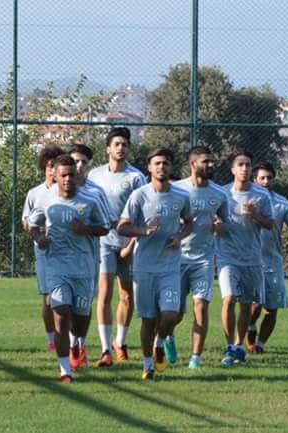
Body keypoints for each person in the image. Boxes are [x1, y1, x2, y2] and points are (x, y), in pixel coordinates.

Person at [29, 154, 111, 383]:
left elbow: (105, 227)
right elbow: (33, 224)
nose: (67, 179)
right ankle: (65, 369)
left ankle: (77, 344)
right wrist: (39, 238)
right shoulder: (45, 200)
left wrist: (85, 229)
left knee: (80, 321)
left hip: (84, 267)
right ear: (55, 176)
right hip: (56, 266)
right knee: (61, 312)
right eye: (63, 175)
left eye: (71, 175)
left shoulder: (90, 200)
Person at [117, 147, 192, 380]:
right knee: (148, 319)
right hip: (144, 267)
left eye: (166, 163)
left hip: (170, 267)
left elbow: (189, 222)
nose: (161, 167)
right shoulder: (139, 195)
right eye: (157, 163)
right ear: (149, 167)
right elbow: (122, 227)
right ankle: (147, 365)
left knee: (170, 315)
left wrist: (179, 237)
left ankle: (160, 343)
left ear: (171, 167)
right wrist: (142, 231)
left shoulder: (181, 197)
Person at [88, 127, 146, 366]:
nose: (121, 148)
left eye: (124, 144)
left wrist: (130, 245)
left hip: (128, 243)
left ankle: (120, 342)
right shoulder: (95, 175)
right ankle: (105, 349)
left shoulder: (136, 177)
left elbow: (141, 216)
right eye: (116, 144)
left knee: (127, 295)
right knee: (104, 293)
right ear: (107, 149)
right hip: (104, 242)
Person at [167, 146, 228, 369]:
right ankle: (167, 336)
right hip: (177, 257)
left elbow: (225, 226)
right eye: (205, 161)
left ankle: (195, 358)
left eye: (212, 161)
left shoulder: (219, 194)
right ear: (193, 164)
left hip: (204, 259)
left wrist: (219, 226)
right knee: (174, 313)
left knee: (201, 305)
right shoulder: (176, 190)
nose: (211, 165)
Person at [215, 150, 274, 367]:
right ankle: (229, 345)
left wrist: (255, 215)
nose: (244, 168)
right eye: (240, 164)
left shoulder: (261, 195)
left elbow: (270, 224)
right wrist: (217, 226)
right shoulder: (221, 194)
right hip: (226, 256)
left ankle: (239, 346)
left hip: (251, 257)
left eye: (248, 164)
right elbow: (212, 219)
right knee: (229, 298)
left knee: (247, 305)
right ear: (232, 169)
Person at [68, 144, 117, 370]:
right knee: (63, 304)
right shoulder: (54, 190)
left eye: (83, 162)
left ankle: (79, 345)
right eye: (75, 161)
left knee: (82, 304)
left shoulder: (96, 192)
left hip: (88, 257)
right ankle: (71, 347)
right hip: (60, 258)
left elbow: (108, 222)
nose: (79, 166)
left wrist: (86, 228)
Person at [246, 162, 288, 354]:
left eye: (269, 177)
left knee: (272, 308)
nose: (266, 181)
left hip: (273, 261)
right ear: (255, 180)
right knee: (255, 305)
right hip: (251, 261)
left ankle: (260, 345)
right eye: (262, 178)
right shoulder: (247, 201)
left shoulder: (282, 203)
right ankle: (250, 327)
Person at [22, 145, 65, 352]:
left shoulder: (67, 192)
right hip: (43, 250)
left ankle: (68, 338)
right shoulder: (35, 193)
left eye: (55, 166)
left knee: (65, 297)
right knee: (48, 298)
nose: (52, 171)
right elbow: (26, 221)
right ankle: (52, 340)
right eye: (49, 166)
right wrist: (38, 233)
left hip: (65, 249)